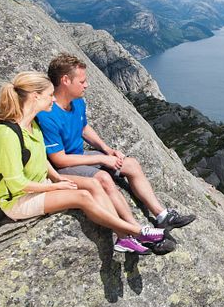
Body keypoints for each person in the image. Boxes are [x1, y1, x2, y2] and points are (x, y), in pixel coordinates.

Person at [0, 72, 169, 254]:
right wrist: (55, 187)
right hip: (18, 200)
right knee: (82, 197)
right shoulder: (5, 134)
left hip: (41, 183)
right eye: (50, 95)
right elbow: (16, 183)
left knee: (94, 183)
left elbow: (40, 158)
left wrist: (57, 178)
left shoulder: (31, 125)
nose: (53, 99)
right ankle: (135, 232)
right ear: (36, 96)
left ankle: (123, 239)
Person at [36, 54, 195, 232]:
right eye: (82, 81)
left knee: (131, 164)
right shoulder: (47, 114)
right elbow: (60, 160)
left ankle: (162, 215)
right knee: (104, 178)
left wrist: (107, 150)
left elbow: (83, 128)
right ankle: (136, 230)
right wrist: (103, 160)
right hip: (64, 166)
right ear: (65, 80)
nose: (86, 85)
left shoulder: (77, 102)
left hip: (80, 156)